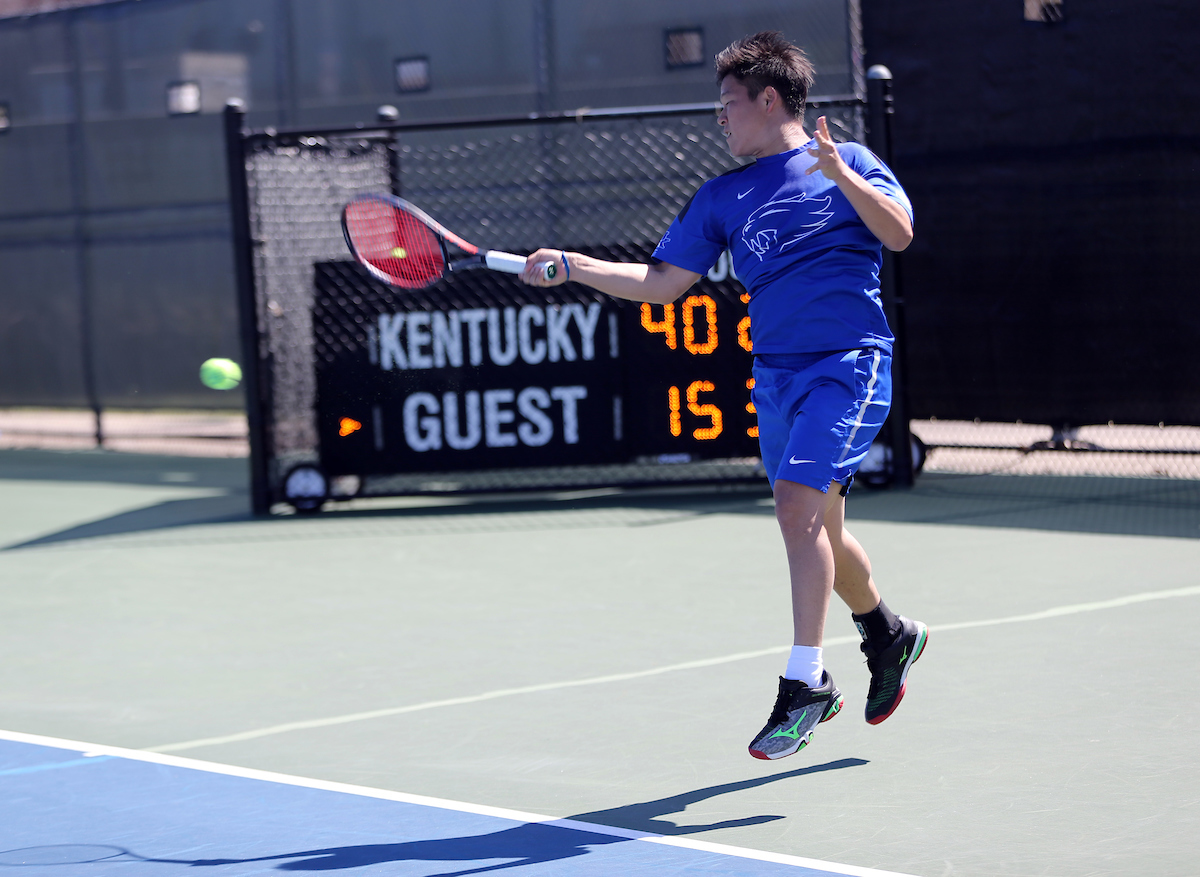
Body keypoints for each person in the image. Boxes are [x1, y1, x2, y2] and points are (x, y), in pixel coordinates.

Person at [521, 30, 927, 760]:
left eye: (727, 107)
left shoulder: (850, 160)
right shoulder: (722, 196)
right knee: (823, 531)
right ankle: (888, 633)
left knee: (796, 508)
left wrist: (843, 176)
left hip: (847, 364)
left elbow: (898, 235)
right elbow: (661, 285)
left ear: (768, 99)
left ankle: (806, 682)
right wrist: (574, 263)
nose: (721, 121)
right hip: (775, 376)